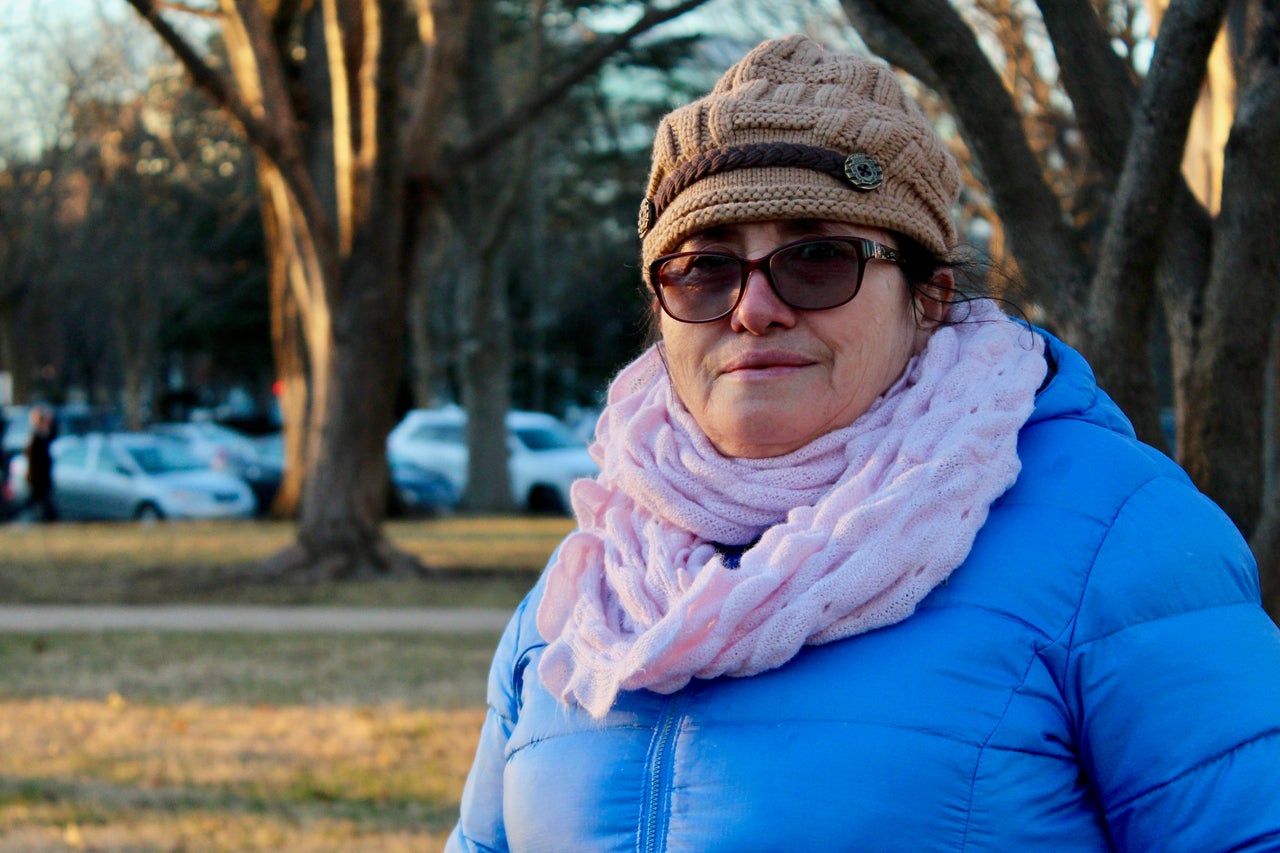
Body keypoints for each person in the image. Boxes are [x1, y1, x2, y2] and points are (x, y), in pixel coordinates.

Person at [448, 35, 1280, 852]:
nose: (754, 308)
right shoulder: (594, 575)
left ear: (928, 297)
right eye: (703, 268)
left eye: (817, 259)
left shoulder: (1120, 538)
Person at [17, 405, 57, 522]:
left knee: (38, 502)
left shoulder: (41, 435)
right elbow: (30, 455)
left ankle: (19, 518)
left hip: (42, 476)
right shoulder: (35, 436)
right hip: (37, 476)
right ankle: (16, 518)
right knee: (36, 502)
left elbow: (53, 433)